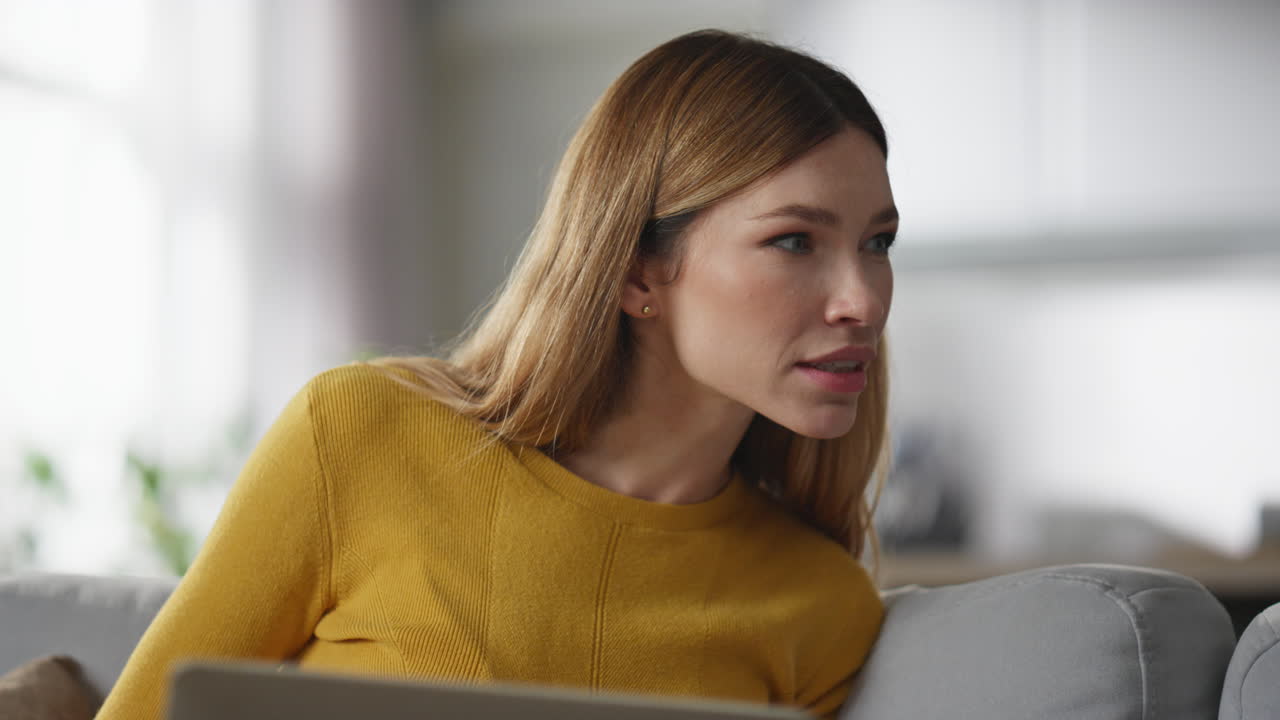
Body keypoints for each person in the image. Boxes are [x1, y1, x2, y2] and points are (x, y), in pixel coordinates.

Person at [99, 29, 898, 720]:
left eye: (878, 243)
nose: (862, 299)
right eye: (796, 240)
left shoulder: (823, 606)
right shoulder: (359, 436)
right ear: (638, 272)